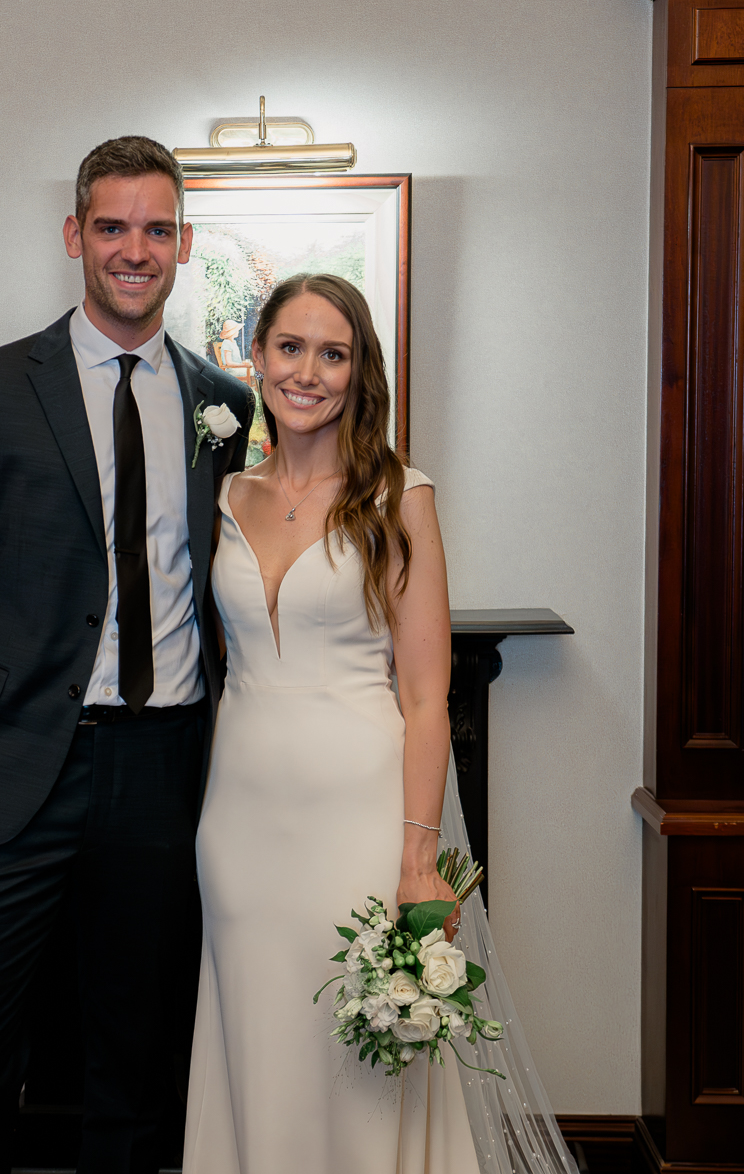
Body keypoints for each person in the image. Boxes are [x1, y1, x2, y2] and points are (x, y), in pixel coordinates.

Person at [0, 135, 254, 1174]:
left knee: (137, 1061)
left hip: (166, 767)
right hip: (9, 769)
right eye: (111, 226)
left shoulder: (221, 404)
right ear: (74, 235)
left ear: (183, 242)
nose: (132, 249)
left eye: (154, 228)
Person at [183, 274, 580, 1174]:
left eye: (335, 353)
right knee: (257, 1039)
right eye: (290, 348)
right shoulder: (225, 496)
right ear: (256, 358)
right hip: (239, 824)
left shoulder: (400, 494)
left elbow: (425, 698)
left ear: (360, 374)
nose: (309, 372)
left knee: (359, 1058)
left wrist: (416, 858)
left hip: (359, 821)